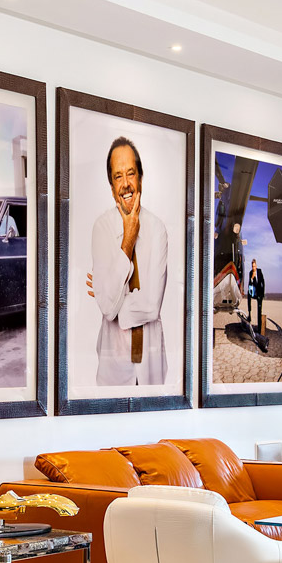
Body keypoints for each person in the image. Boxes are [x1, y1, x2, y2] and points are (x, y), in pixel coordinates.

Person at [86, 137, 168, 385]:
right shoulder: (101, 228)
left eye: (130, 173)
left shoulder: (157, 229)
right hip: (114, 370)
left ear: (140, 177)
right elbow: (106, 308)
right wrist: (128, 242)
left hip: (150, 368)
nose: (125, 184)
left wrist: (112, 297)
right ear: (111, 186)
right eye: (118, 176)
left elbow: (151, 305)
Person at [247, 259, 266, 333]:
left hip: (259, 292)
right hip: (254, 292)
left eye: (254, 266)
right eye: (252, 266)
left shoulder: (259, 271)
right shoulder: (250, 272)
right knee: (248, 295)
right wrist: (252, 277)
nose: (253, 268)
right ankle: (249, 313)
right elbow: (250, 283)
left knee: (259, 309)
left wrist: (263, 293)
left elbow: (263, 282)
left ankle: (259, 328)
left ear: (256, 266)